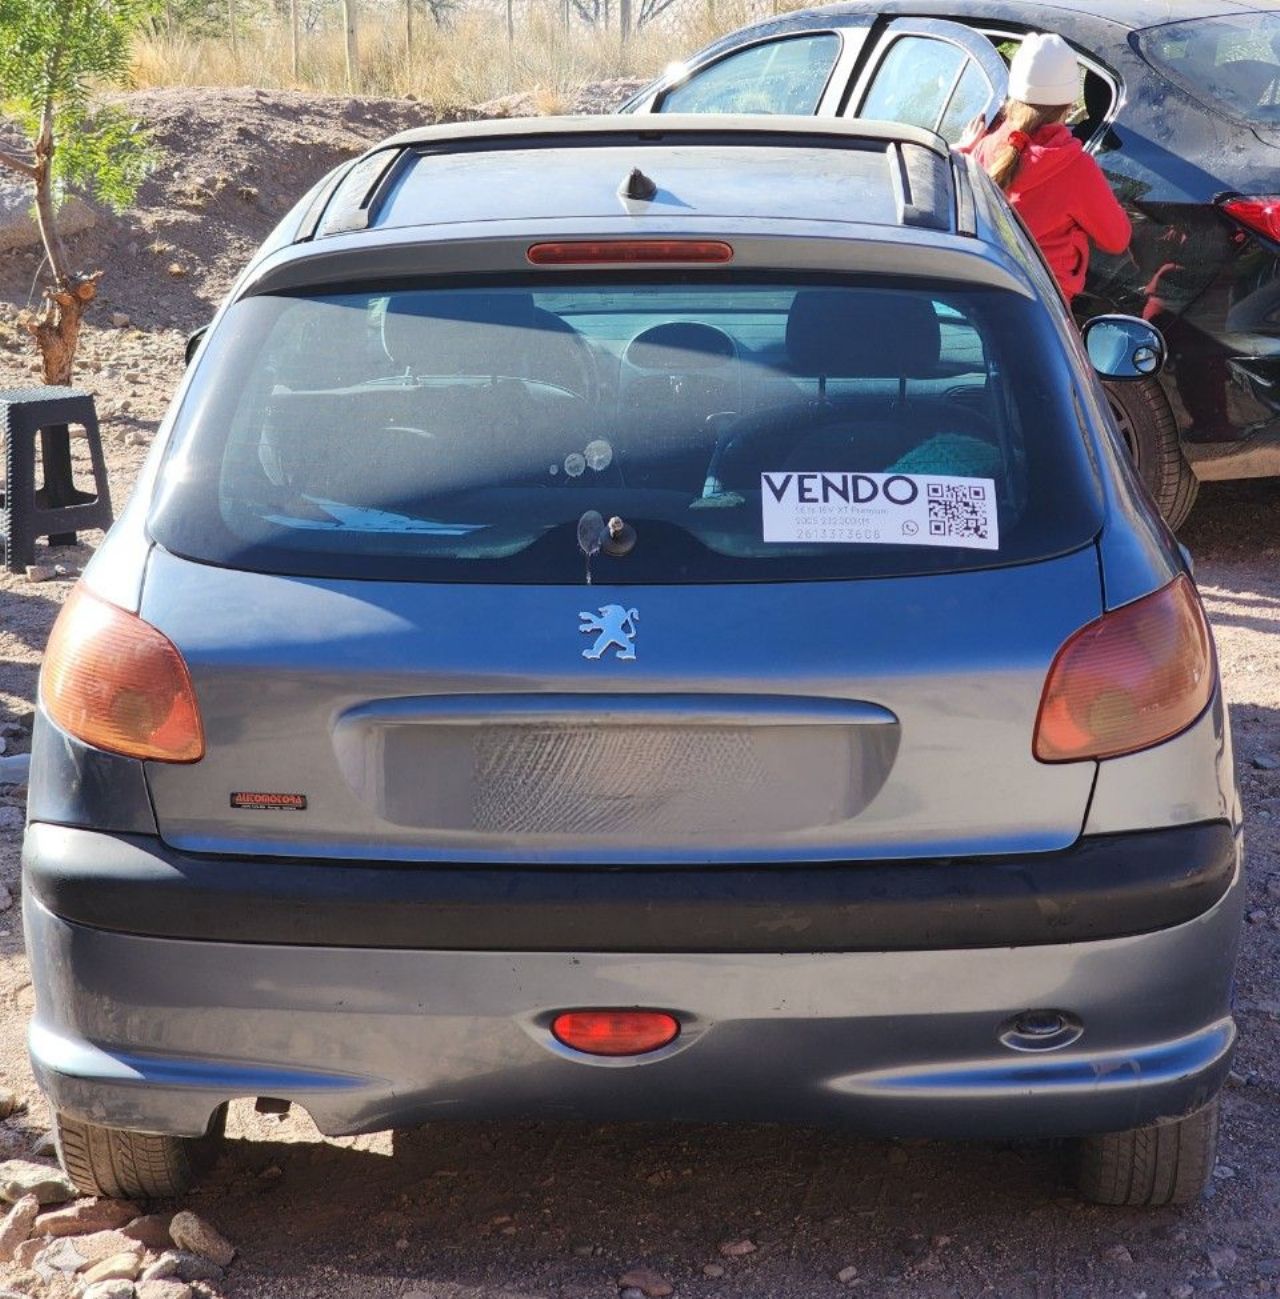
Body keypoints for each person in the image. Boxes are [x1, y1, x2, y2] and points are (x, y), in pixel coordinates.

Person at [962, 33, 1131, 305]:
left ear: (1012, 95)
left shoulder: (983, 146)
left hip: (985, 296)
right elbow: (1117, 239)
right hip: (1045, 308)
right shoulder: (1076, 168)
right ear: (1069, 104)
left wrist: (963, 150)